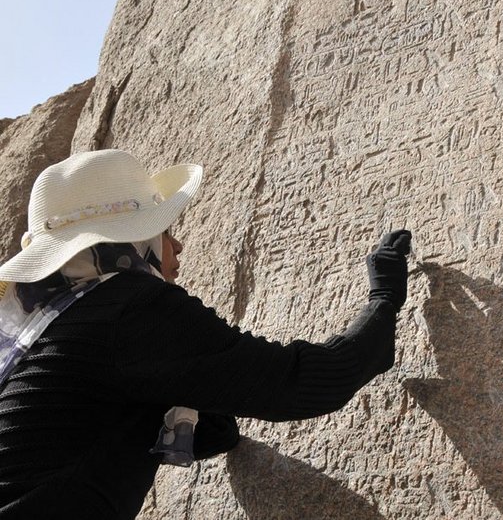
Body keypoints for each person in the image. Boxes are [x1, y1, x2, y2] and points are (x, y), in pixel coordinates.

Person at [0, 150, 412, 519]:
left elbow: (181, 429)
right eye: (161, 231)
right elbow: (299, 382)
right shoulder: (129, 308)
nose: (176, 246)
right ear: (131, 241)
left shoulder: (47, 325)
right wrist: (385, 302)